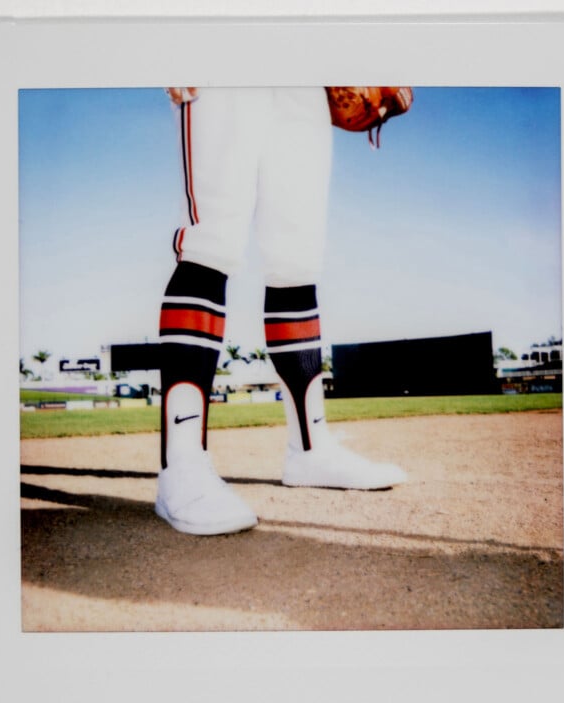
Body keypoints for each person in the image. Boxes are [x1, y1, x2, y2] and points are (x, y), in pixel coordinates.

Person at [155, 87, 406, 536]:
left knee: (298, 260)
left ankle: (310, 449)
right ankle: (182, 466)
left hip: (305, 78)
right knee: (210, 243)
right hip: (224, 45)